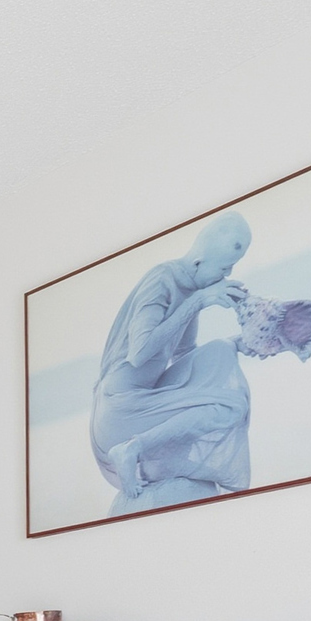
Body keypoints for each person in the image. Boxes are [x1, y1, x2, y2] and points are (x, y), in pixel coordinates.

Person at [89, 213, 256, 514]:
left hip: (145, 398)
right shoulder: (162, 280)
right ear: (198, 263)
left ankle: (138, 446)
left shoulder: (190, 287)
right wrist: (198, 302)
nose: (227, 275)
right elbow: (140, 353)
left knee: (221, 355)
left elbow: (184, 355)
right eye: (223, 268)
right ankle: (131, 448)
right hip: (120, 409)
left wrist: (240, 342)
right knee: (229, 405)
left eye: (232, 267)